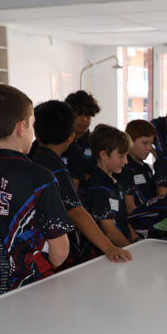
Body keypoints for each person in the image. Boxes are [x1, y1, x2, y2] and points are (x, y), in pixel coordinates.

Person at [0, 85, 73, 302]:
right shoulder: (40, 177)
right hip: (29, 291)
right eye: (32, 124)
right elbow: (59, 253)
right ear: (21, 128)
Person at [29, 100, 131, 265]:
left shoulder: (32, 159)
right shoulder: (56, 170)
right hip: (49, 253)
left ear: (36, 133)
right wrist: (109, 248)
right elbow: (76, 212)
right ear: (71, 137)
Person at [83, 125, 139, 247]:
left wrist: (136, 239)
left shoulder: (115, 182)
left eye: (126, 156)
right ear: (103, 155)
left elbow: (121, 218)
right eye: (121, 156)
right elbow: (110, 232)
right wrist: (131, 251)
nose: (126, 161)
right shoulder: (97, 187)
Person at [116, 119, 157, 213]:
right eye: (145, 143)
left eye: (151, 143)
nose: (149, 148)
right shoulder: (125, 168)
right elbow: (130, 207)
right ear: (130, 141)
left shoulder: (146, 168)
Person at [62, 90, 101, 190]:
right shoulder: (59, 141)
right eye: (79, 115)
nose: (84, 120)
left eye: (88, 115)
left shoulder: (96, 142)